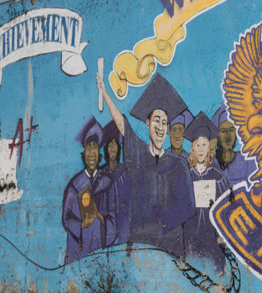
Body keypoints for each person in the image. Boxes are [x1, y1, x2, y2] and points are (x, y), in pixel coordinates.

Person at [97, 72, 195, 257]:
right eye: (156, 120)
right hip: (141, 243)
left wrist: (162, 223)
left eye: (164, 123)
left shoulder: (178, 164)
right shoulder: (139, 155)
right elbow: (123, 126)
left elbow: (188, 205)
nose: (160, 126)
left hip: (170, 244)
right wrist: (105, 94)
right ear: (148, 124)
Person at [62, 116, 116, 263]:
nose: (92, 152)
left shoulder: (107, 182)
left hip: (99, 247)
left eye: (95, 148)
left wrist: (101, 218)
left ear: (99, 153)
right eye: (89, 148)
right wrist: (81, 226)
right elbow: (66, 218)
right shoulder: (74, 185)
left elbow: (113, 217)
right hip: (78, 249)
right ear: (84, 153)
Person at [182, 111, 229, 269]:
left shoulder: (218, 177)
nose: (201, 149)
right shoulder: (186, 177)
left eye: (204, 144)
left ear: (209, 147)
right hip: (191, 236)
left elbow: (225, 209)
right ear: (192, 149)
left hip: (212, 238)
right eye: (197, 145)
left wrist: (221, 236)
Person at [100, 120, 130, 244]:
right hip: (106, 220)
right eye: (110, 145)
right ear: (106, 148)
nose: (112, 148)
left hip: (123, 218)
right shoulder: (102, 173)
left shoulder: (125, 172)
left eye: (115, 144)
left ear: (119, 148)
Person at [211, 104, 257, 187]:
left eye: (231, 130)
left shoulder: (246, 160)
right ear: (218, 135)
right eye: (224, 131)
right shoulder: (211, 162)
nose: (228, 136)